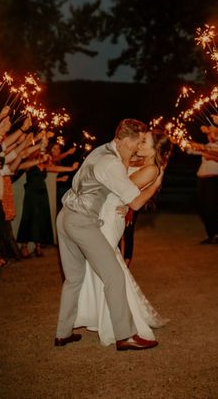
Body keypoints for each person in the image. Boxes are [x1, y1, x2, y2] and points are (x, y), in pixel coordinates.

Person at [55, 119, 164, 351]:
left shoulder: (100, 150)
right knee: (114, 276)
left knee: (74, 278)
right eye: (136, 143)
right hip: (81, 222)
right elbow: (134, 203)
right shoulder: (111, 164)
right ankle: (125, 336)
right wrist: (156, 185)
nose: (137, 148)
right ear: (124, 140)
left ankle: (62, 333)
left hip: (64, 216)